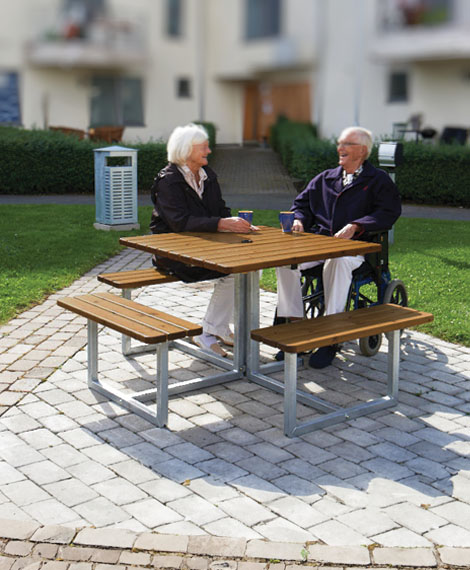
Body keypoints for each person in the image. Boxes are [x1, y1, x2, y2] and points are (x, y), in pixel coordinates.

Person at [276, 126, 402, 368]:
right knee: (284, 262)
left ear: (363, 151)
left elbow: (389, 212)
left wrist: (356, 225)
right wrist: (300, 219)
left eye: (347, 144)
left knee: (338, 261)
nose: (340, 148)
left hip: (357, 249)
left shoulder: (378, 181)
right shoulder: (325, 178)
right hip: (319, 243)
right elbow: (300, 204)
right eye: (340, 143)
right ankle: (294, 327)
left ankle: (330, 338)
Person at [150, 123, 254, 357]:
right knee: (232, 273)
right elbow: (179, 222)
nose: (208, 152)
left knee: (241, 269)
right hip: (174, 254)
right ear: (186, 150)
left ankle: (220, 329)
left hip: (204, 248)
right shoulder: (168, 181)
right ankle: (207, 334)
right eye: (203, 148)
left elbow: (219, 208)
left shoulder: (208, 176)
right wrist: (220, 224)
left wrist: (236, 223)